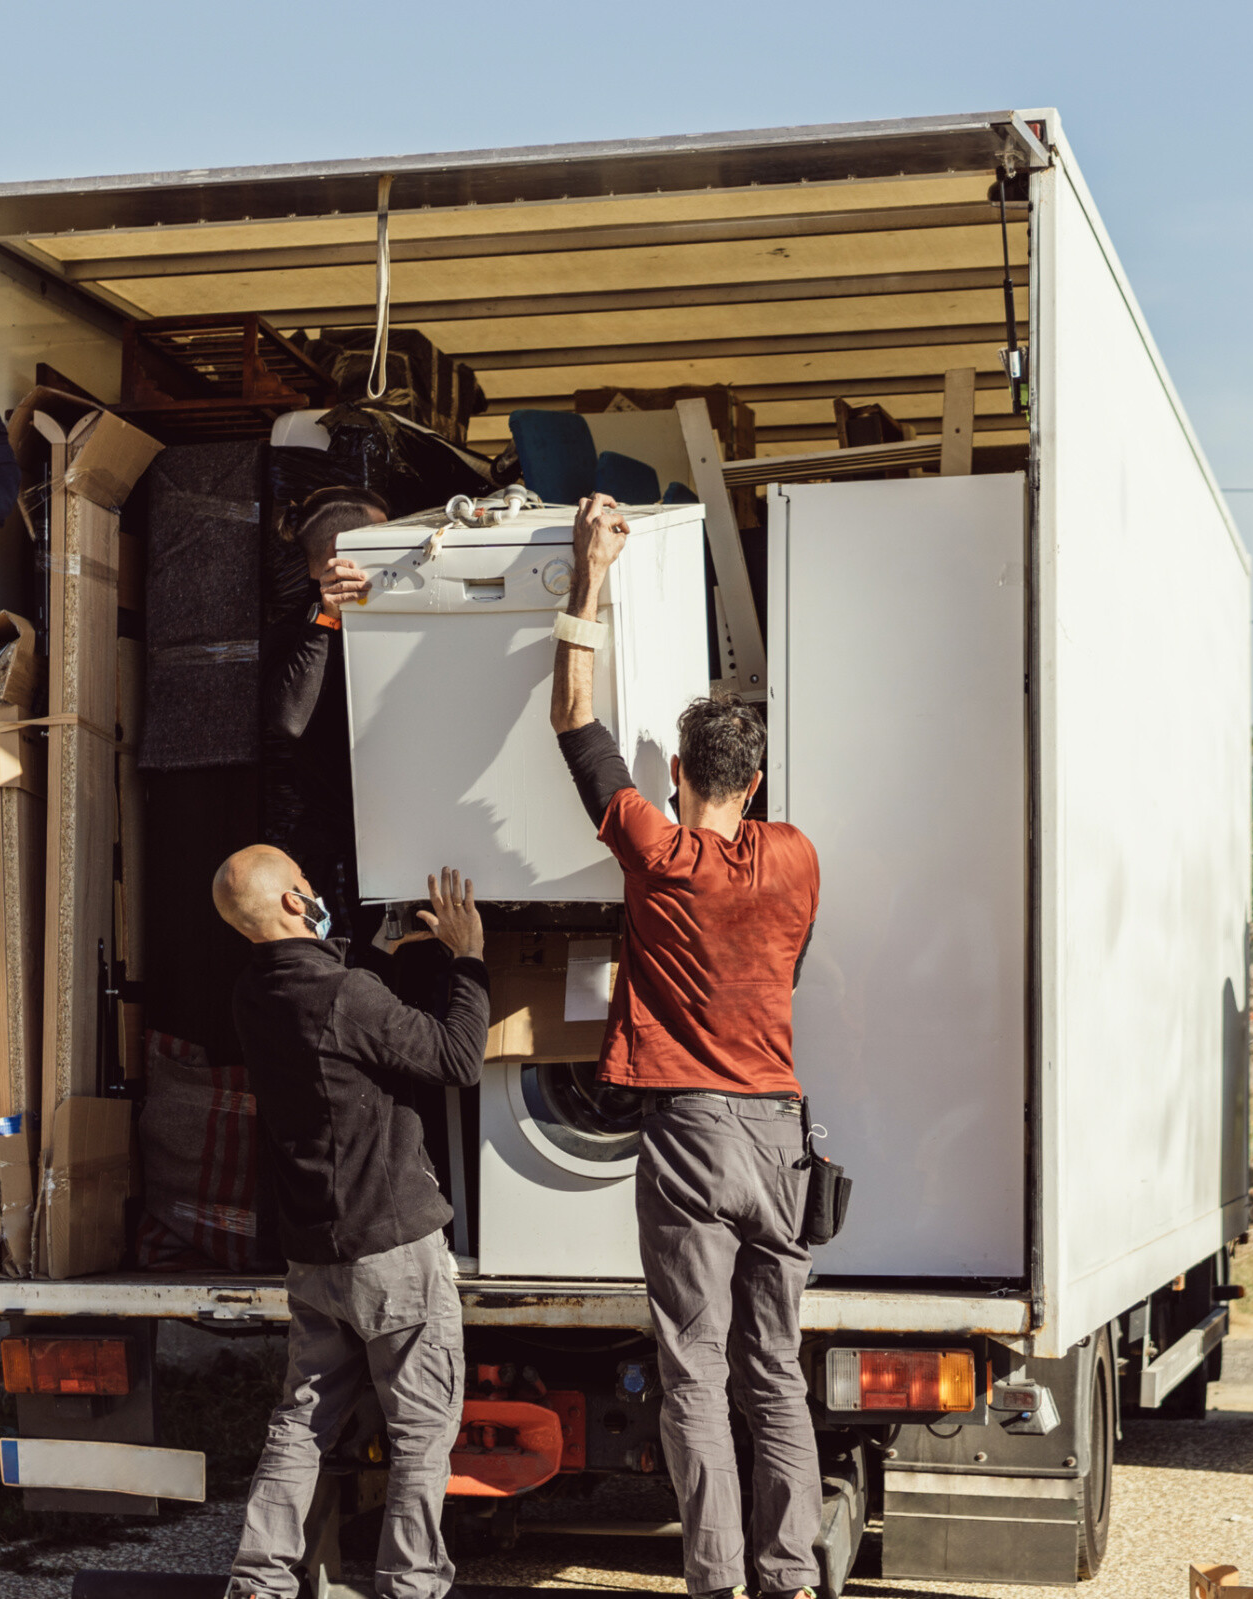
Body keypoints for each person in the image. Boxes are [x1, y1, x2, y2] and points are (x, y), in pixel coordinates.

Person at [548, 493, 824, 1599]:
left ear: (678, 778)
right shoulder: (798, 856)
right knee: (777, 1379)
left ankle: (717, 1582)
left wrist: (591, 574)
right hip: (780, 1133)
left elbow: (574, 722)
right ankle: (789, 1576)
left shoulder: (657, 853)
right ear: (755, 785)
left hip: (692, 1133)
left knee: (695, 1375)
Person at [216, 843, 487, 1599]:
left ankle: (257, 1583)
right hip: (393, 1246)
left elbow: (336, 1008)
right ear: (297, 904)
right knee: (423, 1431)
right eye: (307, 885)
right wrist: (468, 959)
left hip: (316, 1256)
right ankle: (411, 1586)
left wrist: (375, 950)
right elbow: (458, 1056)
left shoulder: (253, 992)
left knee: (301, 1421)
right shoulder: (345, 996)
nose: (315, 894)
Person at [262, 485, 387, 920]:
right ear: (345, 550)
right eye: (384, 539)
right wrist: (326, 618)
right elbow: (289, 720)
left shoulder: (391, 614)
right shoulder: (297, 629)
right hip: (343, 850)